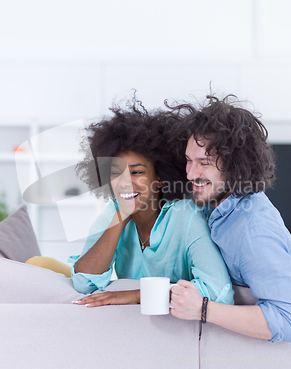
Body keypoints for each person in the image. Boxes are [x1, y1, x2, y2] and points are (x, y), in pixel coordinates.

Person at [168, 95, 291, 342]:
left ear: (235, 166)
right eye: (188, 160)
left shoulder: (252, 230)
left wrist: (203, 309)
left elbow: (289, 322)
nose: (191, 173)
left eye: (204, 163)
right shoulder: (214, 203)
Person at [69, 100, 234, 307]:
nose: (125, 182)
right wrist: (121, 217)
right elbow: (83, 282)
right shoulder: (114, 211)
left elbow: (219, 291)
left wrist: (137, 295)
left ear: (159, 178)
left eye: (137, 172)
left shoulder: (186, 215)